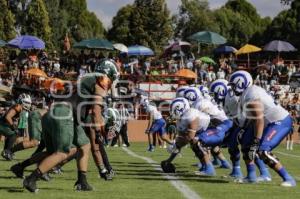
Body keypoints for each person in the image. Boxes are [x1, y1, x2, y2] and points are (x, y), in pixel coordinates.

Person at [229, 70, 296, 187]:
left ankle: (288, 178)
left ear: (241, 83)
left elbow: (259, 119)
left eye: (234, 85)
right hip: (268, 122)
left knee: (262, 150)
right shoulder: (247, 93)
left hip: (279, 121)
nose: (233, 88)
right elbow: (253, 119)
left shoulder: (251, 94)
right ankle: (251, 176)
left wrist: (256, 140)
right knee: (245, 143)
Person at [210, 79, 271, 182]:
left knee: (248, 148)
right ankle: (237, 171)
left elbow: (244, 114)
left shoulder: (232, 98)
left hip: (246, 123)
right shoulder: (227, 98)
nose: (214, 95)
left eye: (215, 92)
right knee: (233, 146)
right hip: (239, 123)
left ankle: (263, 172)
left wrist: (242, 127)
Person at [184, 87, 232, 170]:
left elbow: (205, 118)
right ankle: (224, 163)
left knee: (200, 141)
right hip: (221, 123)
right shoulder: (201, 101)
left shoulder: (200, 103)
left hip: (220, 124)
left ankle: (207, 166)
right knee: (212, 145)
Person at [161, 98, 213, 175]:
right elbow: (181, 139)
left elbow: (190, 137)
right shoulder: (180, 120)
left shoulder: (190, 114)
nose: (171, 113)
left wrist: (176, 145)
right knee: (194, 145)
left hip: (212, 126)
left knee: (197, 144)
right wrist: (169, 160)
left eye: (173, 110)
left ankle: (209, 169)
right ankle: (204, 167)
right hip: (200, 130)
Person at [0, 93, 32, 160]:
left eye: (29, 102)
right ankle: (7, 152)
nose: (28, 104)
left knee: (11, 134)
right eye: (26, 102)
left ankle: (6, 151)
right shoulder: (17, 106)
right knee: (13, 134)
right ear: (21, 101)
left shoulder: (20, 108)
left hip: (3, 124)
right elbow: (8, 117)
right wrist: (13, 127)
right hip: (2, 124)